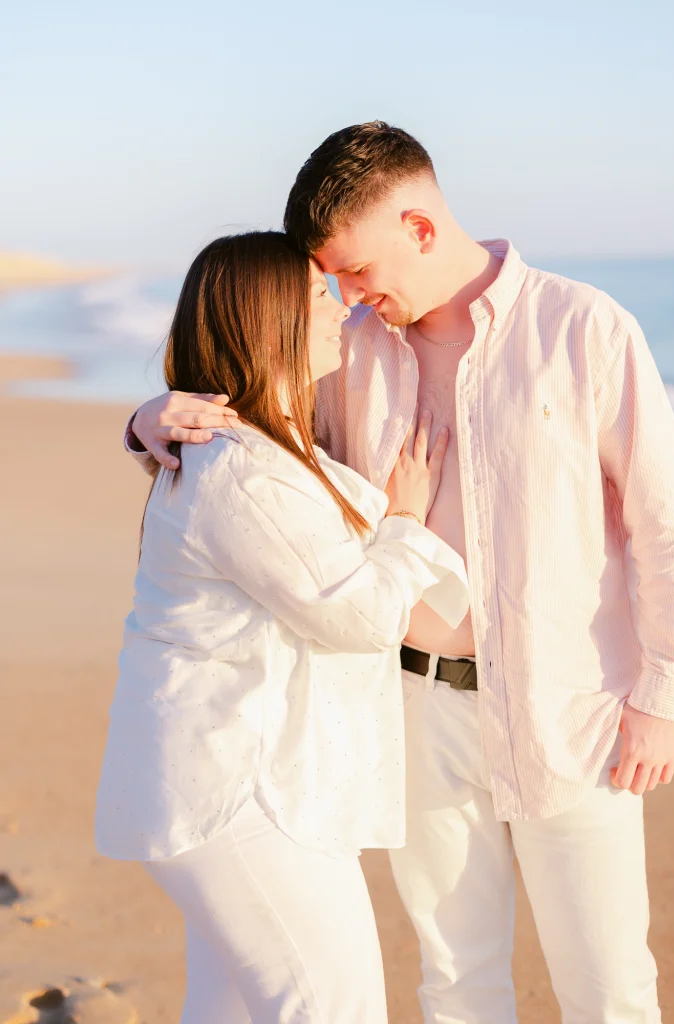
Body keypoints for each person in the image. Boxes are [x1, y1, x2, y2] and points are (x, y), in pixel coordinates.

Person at [127, 124, 674, 1024]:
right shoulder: (347, 350)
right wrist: (146, 419)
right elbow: (252, 442)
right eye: (333, 280)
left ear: (422, 227)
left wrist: (664, 696)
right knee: (456, 976)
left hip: (576, 708)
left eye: (355, 271)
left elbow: (664, 522)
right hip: (412, 712)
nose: (347, 294)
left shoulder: (583, 328)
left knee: (609, 985)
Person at [95, 230, 470, 1024]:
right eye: (312, 297)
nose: (336, 308)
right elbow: (363, 618)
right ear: (265, 321)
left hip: (238, 781)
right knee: (331, 1008)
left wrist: (141, 421)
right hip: (239, 792)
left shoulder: (263, 449)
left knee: (233, 1010)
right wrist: (404, 522)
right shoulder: (240, 467)